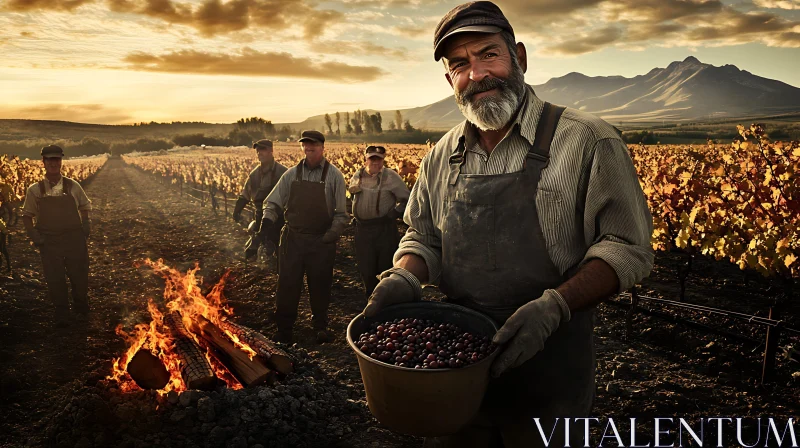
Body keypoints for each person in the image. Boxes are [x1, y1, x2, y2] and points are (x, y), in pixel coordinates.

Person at [363, 2, 654, 447]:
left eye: (488, 54)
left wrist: (554, 306)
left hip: (551, 376)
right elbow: (422, 235)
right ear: (449, 80)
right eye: (460, 64)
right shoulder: (442, 155)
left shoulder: (589, 140)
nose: (477, 74)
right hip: (453, 377)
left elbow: (626, 247)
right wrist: (406, 274)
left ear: (519, 57)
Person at [258, 130, 348, 344]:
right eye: (305, 145)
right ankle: (284, 328)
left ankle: (320, 326)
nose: (309, 148)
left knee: (320, 284)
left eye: (313, 144)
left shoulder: (334, 176)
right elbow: (273, 202)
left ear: (322, 147)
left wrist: (331, 235)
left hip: (321, 240)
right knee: (287, 284)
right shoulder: (291, 174)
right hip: (293, 239)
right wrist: (267, 220)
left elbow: (342, 214)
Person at [21, 145, 92, 328]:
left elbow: (85, 206)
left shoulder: (72, 185)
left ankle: (81, 309)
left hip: (74, 238)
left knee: (79, 274)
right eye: (50, 160)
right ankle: (62, 313)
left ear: (61, 162)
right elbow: (27, 215)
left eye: (57, 160)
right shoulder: (35, 190)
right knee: (55, 278)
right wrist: (33, 235)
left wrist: (86, 224)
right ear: (43, 163)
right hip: (49, 241)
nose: (54, 163)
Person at [348, 145, 409, 297]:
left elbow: (407, 199)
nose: (375, 163)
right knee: (365, 266)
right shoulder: (358, 175)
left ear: (383, 161)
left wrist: (395, 212)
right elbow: (351, 193)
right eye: (372, 159)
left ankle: (385, 300)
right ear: (365, 161)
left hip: (384, 229)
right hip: (362, 229)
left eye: (378, 160)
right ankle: (370, 298)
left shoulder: (391, 176)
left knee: (384, 267)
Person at [232, 139, 288, 260]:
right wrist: (236, 211)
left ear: (271, 151)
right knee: (250, 254)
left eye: (263, 150)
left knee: (281, 253)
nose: (259, 153)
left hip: (279, 220)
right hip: (260, 217)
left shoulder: (283, 173)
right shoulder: (254, 175)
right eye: (258, 151)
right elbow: (245, 195)